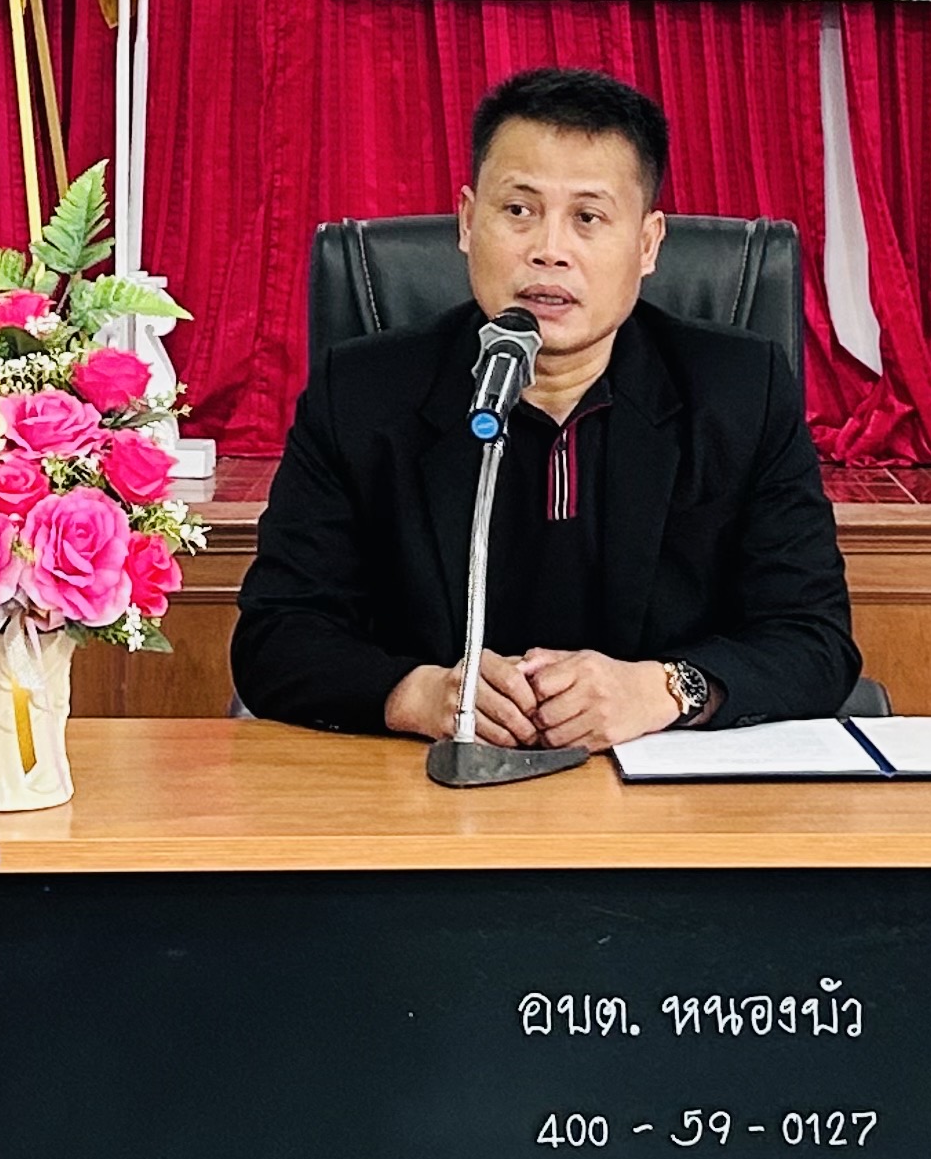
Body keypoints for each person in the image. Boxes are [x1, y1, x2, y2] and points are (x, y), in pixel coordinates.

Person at [233, 67, 858, 750]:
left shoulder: (739, 392)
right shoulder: (360, 395)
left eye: (588, 218)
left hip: (662, 798)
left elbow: (814, 640)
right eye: (518, 211)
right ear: (468, 221)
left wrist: (664, 689)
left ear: (647, 244)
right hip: (428, 788)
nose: (548, 251)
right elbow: (277, 637)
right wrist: (417, 694)